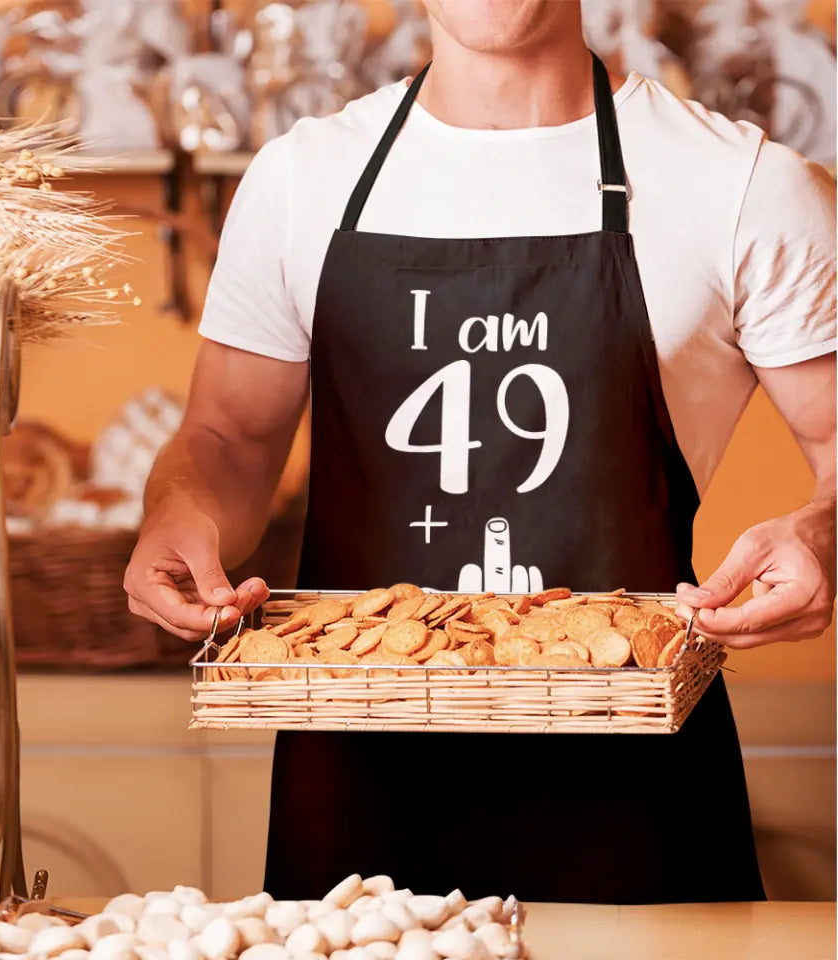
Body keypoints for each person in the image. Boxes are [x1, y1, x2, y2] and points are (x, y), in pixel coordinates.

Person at [125, 0, 836, 903]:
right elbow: (228, 435)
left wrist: (823, 533)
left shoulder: (745, 186)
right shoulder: (304, 178)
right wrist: (179, 514)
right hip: (355, 812)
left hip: (631, 809)